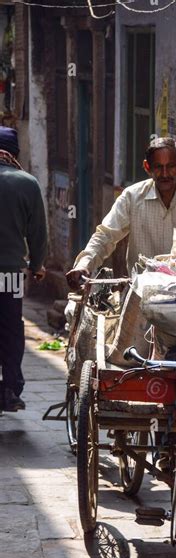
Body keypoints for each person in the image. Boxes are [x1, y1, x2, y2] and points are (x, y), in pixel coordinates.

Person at [66, 136, 176, 287]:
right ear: (147, 167)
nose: (165, 174)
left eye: (171, 166)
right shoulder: (132, 197)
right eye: (158, 167)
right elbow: (106, 235)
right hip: (141, 294)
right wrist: (84, 265)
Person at [0, 127, 47, 413]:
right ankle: (11, 389)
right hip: (11, 275)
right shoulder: (27, 183)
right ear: (15, 153)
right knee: (11, 329)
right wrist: (37, 265)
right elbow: (37, 233)